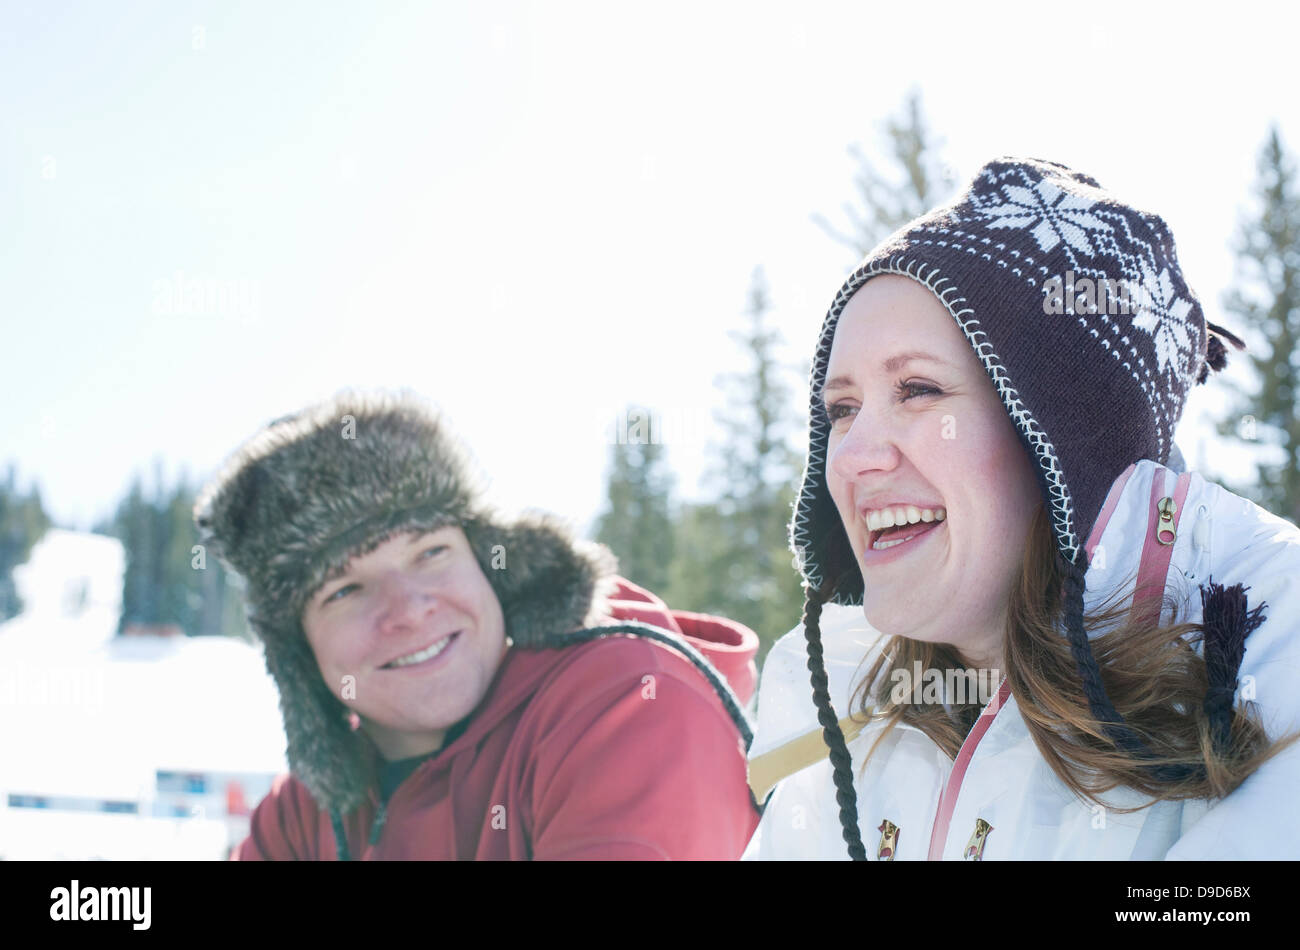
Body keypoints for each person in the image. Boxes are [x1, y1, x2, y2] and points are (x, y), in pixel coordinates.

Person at [742, 157, 1300, 860]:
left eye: (918, 389)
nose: (851, 457)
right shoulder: (859, 715)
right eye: (842, 408)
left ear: (1066, 437)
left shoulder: (1273, 640)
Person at [195, 390, 761, 860]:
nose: (410, 608)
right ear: (298, 652)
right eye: (344, 589)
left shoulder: (629, 702)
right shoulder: (307, 810)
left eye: (430, 552)